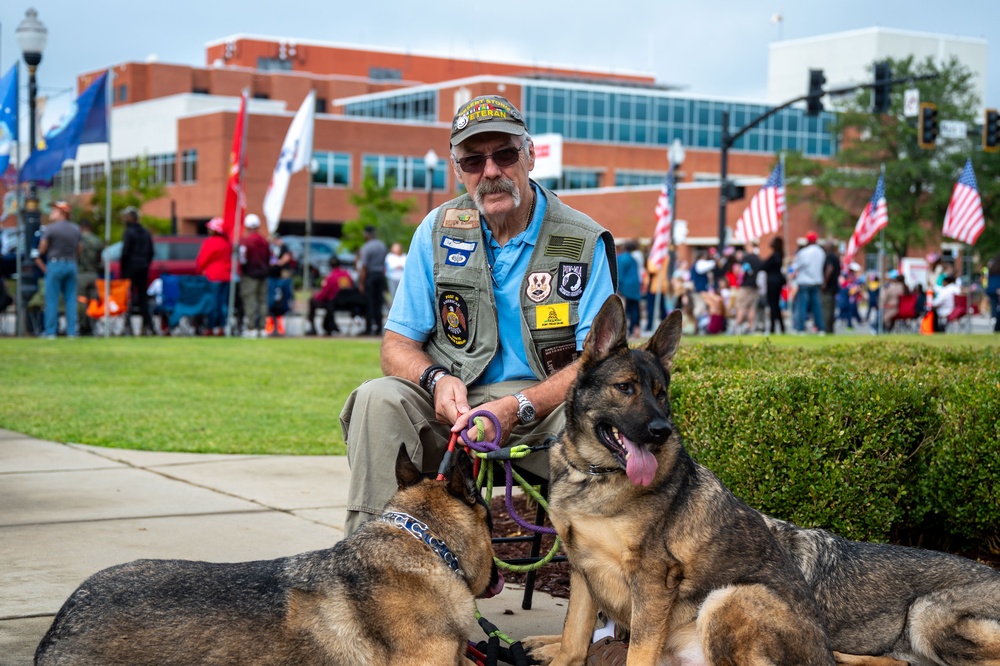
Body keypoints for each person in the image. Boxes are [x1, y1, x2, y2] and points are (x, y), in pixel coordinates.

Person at [339, 94, 616, 535]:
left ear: (530, 155)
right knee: (379, 397)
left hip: (544, 408)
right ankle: (373, 562)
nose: (490, 172)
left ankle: (603, 581)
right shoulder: (435, 229)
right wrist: (435, 380)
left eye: (504, 155)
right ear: (458, 170)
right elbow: (397, 344)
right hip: (454, 401)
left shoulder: (582, 240)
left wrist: (519, 406)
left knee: (602, 411)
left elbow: (596, 363)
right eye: (473, 161)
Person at [36, 201, 82, 338]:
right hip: (71, 264)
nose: (51, 213)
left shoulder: (51, 229)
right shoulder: (76, 229)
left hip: (55, 264)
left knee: (51, 299)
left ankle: (50, 332)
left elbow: (42, 249)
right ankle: (71, 332)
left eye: (54, 211)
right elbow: (79, 249)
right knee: (71, 299)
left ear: (62, 213)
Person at [119, 206, 156, 336]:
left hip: (130, 269)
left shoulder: (129, 232)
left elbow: (125, 252)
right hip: (143, 268)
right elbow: (151, 252)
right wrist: (145, 263)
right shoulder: (145, 232)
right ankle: (147, 325)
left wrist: (123, 269)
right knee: (143, 298)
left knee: (127, 297)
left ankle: (128, 326)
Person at [305, 255, 363, 335]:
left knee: (313, 301)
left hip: (335, 303)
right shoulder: (347, 275)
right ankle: (329, 325)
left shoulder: (331, 277)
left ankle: (313, 328)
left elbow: (324, 293)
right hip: (349, 304)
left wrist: (316, 296)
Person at [195, 217, 232, 336]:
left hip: (213, 276)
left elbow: (202, 260)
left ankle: (210, 327)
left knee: (213, 303)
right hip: (226, 276)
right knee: (223, 304)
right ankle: (221, 327)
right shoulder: (227, 243)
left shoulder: (210, 242)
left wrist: (199, 270)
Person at [238, 214, 270, 338]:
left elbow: (242, 259)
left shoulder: (246, 241)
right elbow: (268, 257)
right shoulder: (264, 241)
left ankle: (251, 328)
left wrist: (243, 270)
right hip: (263, 275)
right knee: (262, 301)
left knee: (250, 301)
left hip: (249, 275)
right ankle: (262, 328)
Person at [790, 231, 826, 334]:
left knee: (802, 306)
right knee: (817, 307)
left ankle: (800, 328)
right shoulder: (821, 252)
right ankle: (820, 328)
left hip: (804, 282)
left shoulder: (804, 252)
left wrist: (791, 273)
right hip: (816, 281)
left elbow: (796, 266)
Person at [357, 225, 388, 336]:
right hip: (380, 275)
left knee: (369, 302)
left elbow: (364, 266)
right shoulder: (382, 245)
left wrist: (361, 283)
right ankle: (379, 327)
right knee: (378, 302)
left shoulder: (366, 247)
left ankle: (369, 327)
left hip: (370, 276)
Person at [76, 219, 104, 336]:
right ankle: (92, 325)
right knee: (93, 301)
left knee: (81, 301)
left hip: (81, 274)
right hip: (93, 274)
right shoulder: (97, 240)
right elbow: (99, 259)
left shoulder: (78, 239)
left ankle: (83, 326)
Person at [265, 232, 294, 336]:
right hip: (272, 276)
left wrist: (277, 263)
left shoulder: (283, 247)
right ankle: (271, 323)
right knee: (271, 300)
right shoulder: (271, 248)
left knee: (281, 300)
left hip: (282, 276)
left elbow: (286, 258)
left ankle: (279, 324)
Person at [733, 243, 762, 334]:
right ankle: (751, 326)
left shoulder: (746, 258)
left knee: (741, 306)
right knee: (751, 307)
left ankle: (737, 327)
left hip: (745, 286)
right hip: (754, 286)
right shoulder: (758, 259)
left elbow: (737, 270)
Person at [616, 239, 642, 338]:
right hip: (635, 287)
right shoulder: (633, 259)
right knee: (634, 308)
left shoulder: (622, 258)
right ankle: (633, 328)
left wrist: (619, 288)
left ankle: (626, 330)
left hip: (626, 287)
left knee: (625, 309)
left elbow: (620, 274)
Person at [760, 236, 785, 334]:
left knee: (773, 305)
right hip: (777, 282)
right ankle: (780, 326)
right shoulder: (780, 255)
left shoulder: (774, 256)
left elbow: (764, 266)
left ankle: (773, 326)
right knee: (776, 305)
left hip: (772, 283)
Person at [820, 241, 840, 334]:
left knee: (826, 308)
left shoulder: (829, 257)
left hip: (828, 287)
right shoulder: (836, 257)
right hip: (834, 286)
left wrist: (824, 282)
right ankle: (830, 329)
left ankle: (826, 329)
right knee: (831, 308)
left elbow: (829, 268)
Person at [988, 252, 1000, 333]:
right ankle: (997, 323)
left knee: (993, 307)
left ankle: (994, 319)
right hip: (998, 289)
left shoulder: (992, 269)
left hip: (991, 290)